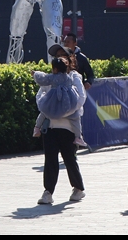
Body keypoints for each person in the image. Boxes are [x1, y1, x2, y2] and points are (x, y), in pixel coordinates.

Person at [32, 56, 86, 205]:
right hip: (50, 127)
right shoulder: (51, 79)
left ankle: (78, 188)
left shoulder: (74, 78)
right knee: (50, 159)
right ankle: (48, 192)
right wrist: (48, 108)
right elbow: (41, 95)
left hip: (68, 128)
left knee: (69, 158)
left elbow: (80, 98)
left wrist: (64, 111)